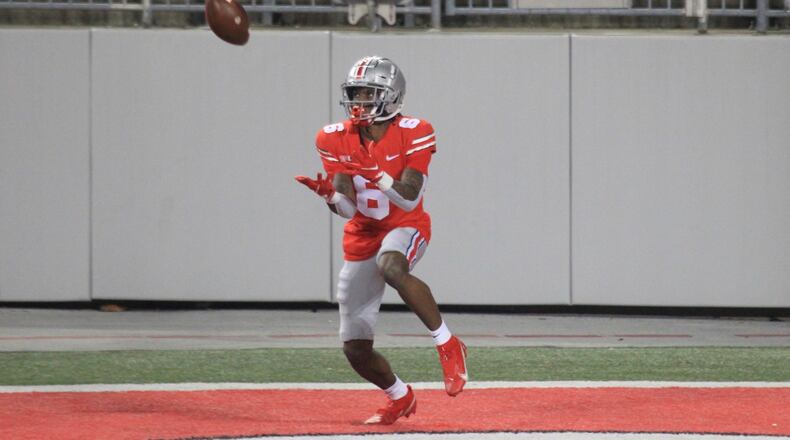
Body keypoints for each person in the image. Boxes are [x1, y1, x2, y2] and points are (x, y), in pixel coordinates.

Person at [295, 55, 468, 425]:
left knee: (391, 264)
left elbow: (408, 196)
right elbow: (347, 207)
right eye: (355, 92)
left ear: (392, 97)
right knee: (355, 349)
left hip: (405, 223)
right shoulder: (332, 137)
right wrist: (329, 195)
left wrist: (378, 175)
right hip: (362, 234)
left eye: (369, 92)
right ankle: (399, 395)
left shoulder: (415, 130)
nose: (359, 100)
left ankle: (448, 343)